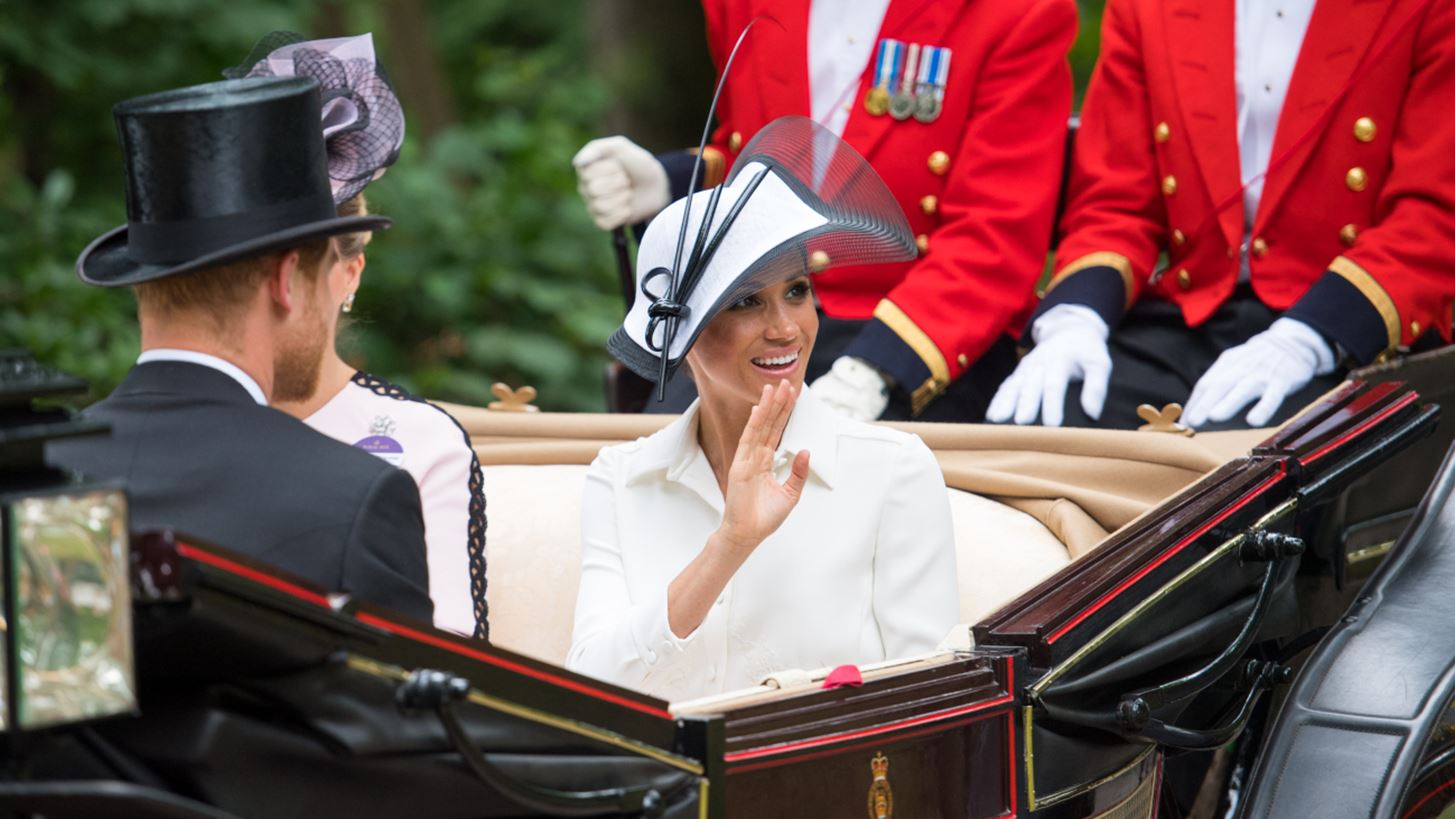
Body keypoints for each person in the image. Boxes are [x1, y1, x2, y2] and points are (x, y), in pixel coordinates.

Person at [566, 117, 959, 701]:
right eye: (747, 301)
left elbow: (929, 704)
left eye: (797, 291)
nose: (786, 329)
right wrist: (728, 547)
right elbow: (592, 691)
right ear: (685, 334)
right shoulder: (620, 479)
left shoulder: (892, 470)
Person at [573, 0, 1077, 421]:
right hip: (756, 319)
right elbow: (759, 151)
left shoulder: (1018, 11)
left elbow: (996, 235)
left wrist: (879, 367)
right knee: (655, 478)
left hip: (916, 337)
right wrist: (673, 181)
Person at [46, 76, 433, 623]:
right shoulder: (357, 500)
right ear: (286, 279)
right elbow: (397, 706)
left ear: (144, 282)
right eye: (326, 271)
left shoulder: (36, 480)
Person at [989, 0, 1455, 431]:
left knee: (1234, 488)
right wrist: (1076, 318)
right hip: (1193, 310)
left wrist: (1307, 339)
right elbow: (1116, 199)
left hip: (1352, 337)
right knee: (1024, 438)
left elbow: (1432, 217)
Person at [232, 33, 489, 640]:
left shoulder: (422, 442)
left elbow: (454, 660)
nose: (278, 287)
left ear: (351, 271)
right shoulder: (192, 422)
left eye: (302, 261)